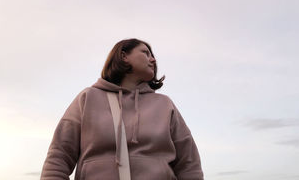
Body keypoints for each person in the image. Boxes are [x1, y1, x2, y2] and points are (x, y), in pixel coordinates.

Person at [40, 38, 204, 180]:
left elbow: (189, 165)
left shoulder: (165, 105)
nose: (153, 60)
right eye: (146, 53)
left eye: (153, 55)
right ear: (124, 56)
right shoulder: (87, 98)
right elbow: (59, 157)